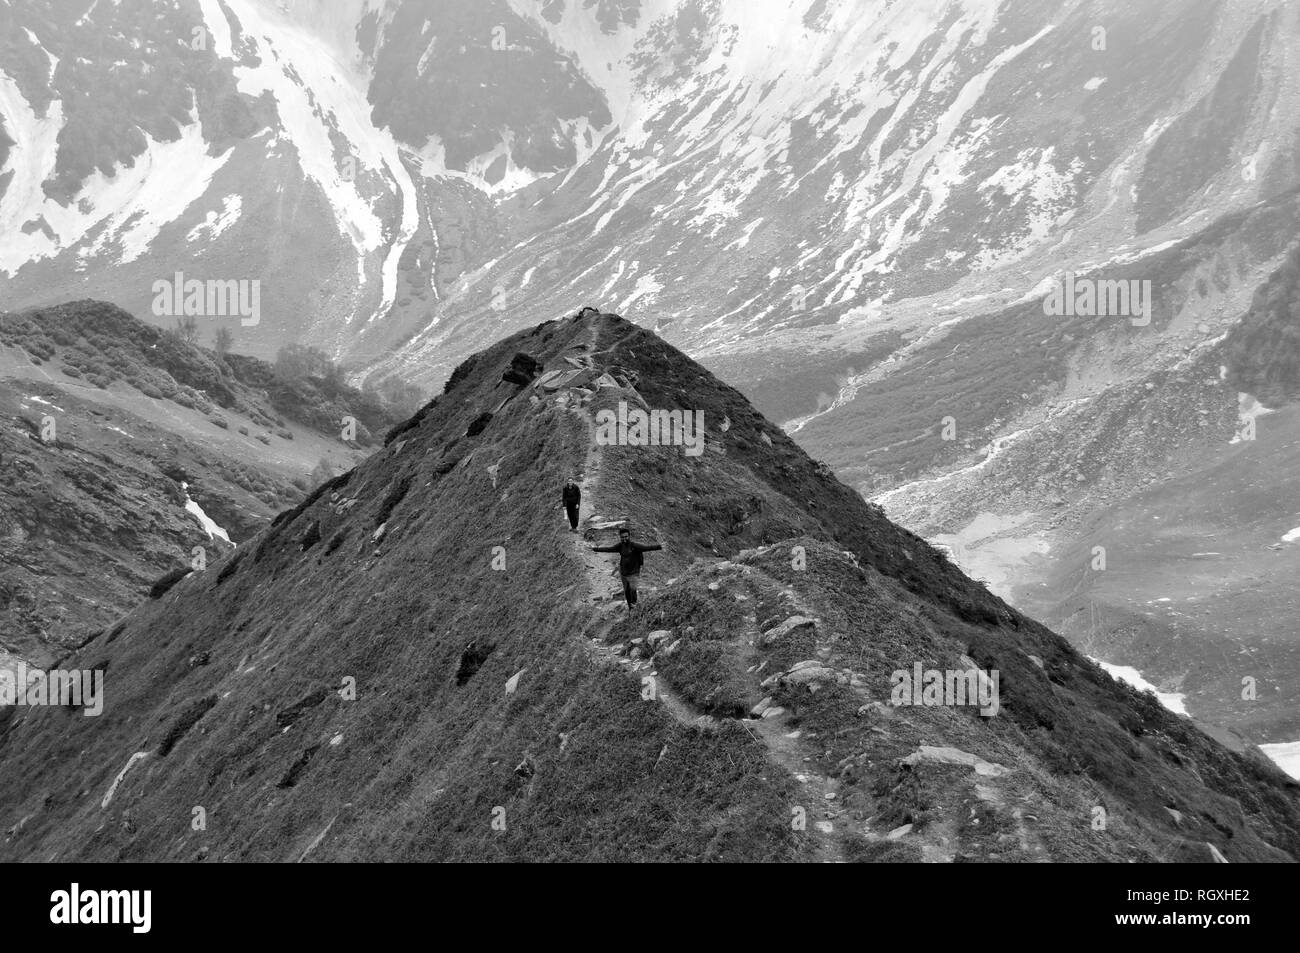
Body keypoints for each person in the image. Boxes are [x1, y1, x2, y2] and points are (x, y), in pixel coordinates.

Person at [591, 527, 662, 608]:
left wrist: (660, 546)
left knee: (633, 591)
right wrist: (594, 549)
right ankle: (630, 609)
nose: (624, 539)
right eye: (622, 537)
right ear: (620, 537)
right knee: (627, 592)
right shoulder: (620, 546)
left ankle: (634, 607)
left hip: (634, 573)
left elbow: (647, 548)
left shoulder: (634, 546)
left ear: (629, 536)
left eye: (626, 537)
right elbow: (609, 549)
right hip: (624, 573)